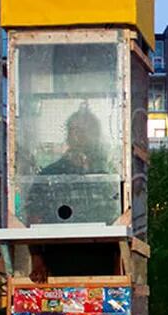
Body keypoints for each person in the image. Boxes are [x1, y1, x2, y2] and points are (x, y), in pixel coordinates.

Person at [28, 105, 119, 283]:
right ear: (69, 135)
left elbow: (115, 219)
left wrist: (118, 268)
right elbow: (34, 215)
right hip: (58, 265)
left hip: (102, 264)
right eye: (75, 130)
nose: (80, 136)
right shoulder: (50, 175)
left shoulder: (106, 176)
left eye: (86, 130)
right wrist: (37, 260)